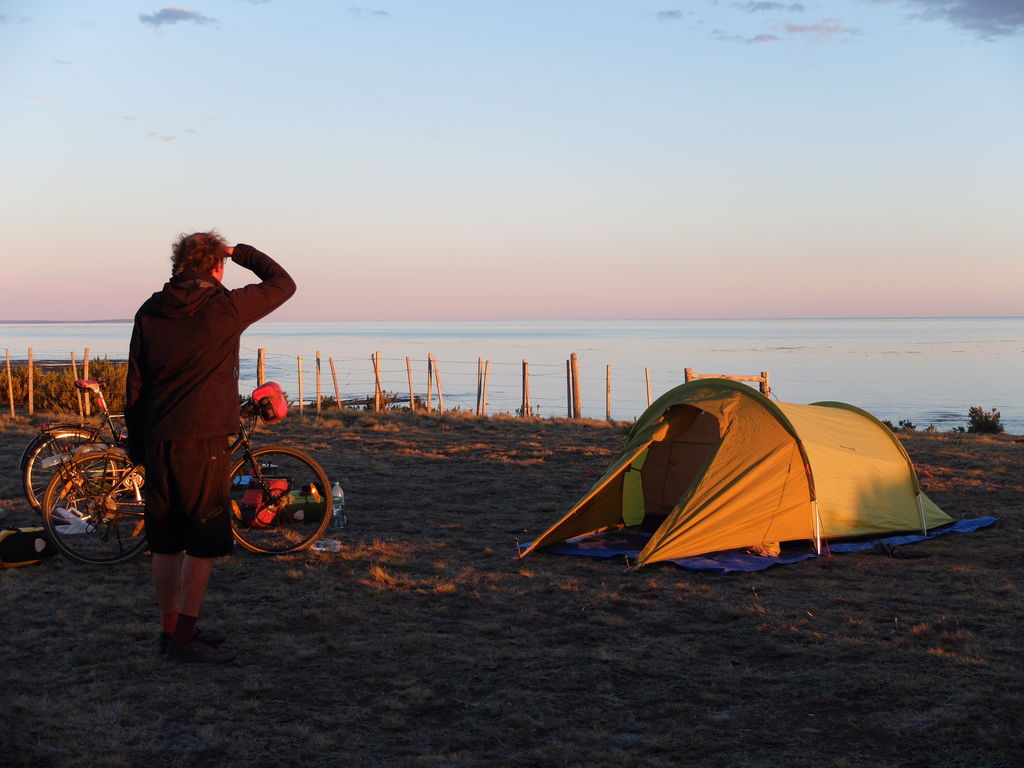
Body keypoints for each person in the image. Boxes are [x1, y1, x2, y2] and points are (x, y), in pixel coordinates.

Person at [125, 231, 295, 663]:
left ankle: (171, 631)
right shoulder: (225, 307)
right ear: (216, 267)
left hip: (160, 435)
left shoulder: (150, 310)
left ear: (178, 265)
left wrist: (137, 442)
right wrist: (241, 252)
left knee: (165, 542)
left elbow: (136, 384)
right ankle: (184, 636)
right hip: (203, 438)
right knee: (202, 539)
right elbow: (283, 283)